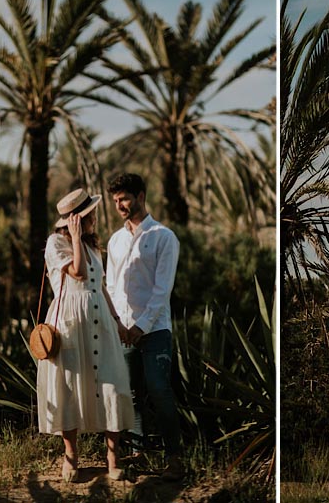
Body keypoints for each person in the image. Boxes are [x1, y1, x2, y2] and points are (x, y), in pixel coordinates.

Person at [38, 188, 134, 482]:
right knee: (69, 387)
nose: (95, 218)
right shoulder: (56, 243)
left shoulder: (93, 246)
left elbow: (100, 285)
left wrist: (116, 319)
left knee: (113, 384)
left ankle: (112, 458)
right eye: (89, 214)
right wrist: (76, 239)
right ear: (75, 219)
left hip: (99, 318)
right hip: (70, 321)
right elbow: (77, 273)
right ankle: (70, 458)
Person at [106, 173, 184, 481]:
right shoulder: (115, 240)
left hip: (154, 331)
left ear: (140, 196)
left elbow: (162, 290)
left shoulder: (164, 237)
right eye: (115, 201)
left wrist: (140, 326)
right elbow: (110, 286)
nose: (119, 205)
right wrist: (118, 325)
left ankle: (174, 458)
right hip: (123, 331)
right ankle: (137, 454)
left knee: (160, 390)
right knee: (130, 396)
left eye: (124, 198)